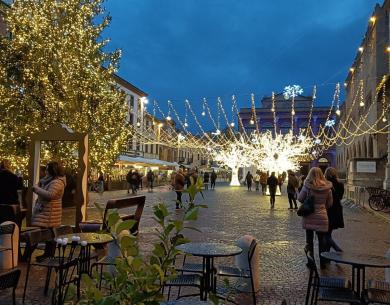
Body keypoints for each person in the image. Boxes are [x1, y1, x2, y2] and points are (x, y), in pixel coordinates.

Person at [298, 167, 333, 269]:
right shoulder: (328, 188)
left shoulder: (307, 186)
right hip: (322, 216)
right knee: (322, 241)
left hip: (309, 215)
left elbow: (300, 198)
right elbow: (330, 203)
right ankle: (322, 262)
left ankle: (311, 261)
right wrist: (322, 206)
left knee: (309, 241)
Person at [32, 161, 66, 259]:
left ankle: (48, 255)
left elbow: (51, 195)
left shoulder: (57, 182)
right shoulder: (48, 180)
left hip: (50, 213)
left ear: (53, 171)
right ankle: (47, 255)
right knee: (47, 234)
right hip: (45, 212)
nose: (45, 171)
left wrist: (36, 189)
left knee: (48, 235)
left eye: (47, 169)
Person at [324, 167, 344, 252]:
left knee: (326, 234)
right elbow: (340, 197)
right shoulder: (340, 184)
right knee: (329, 232)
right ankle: (327, 254)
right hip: (337, 209)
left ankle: (337, 249)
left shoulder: (325, 184)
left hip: (328, 209)